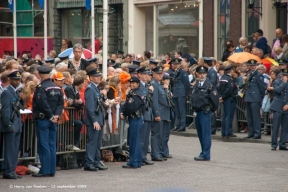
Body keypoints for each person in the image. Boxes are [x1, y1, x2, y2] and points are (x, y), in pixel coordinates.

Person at [32, 66, 64, 177]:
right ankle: (51, 170)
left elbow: (43, 104)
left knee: (43, 144)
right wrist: (56, 115)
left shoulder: (41, 87)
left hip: (44, 119)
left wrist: (50, 116)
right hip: (53, 119)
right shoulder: (57, 88)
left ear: (39, 74)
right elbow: (61, 104)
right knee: (51, 144)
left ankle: (45, 170)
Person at [191, 66, 219, 161]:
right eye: (200, 73)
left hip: (205, 111)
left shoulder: (209, 86)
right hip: (198, 111)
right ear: (197, 74)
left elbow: (215, 100)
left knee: (205, 134)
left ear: (206, 74)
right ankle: (203, 152)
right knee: (200, 133)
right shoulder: (197, 84)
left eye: (203, 73)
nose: (202, 75)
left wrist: (212, 110)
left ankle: (205, 154)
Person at [84, 67, 108, 171]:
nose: (98, 78)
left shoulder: (96, 88)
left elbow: (99, 103)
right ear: (90, 78)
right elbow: (90, 107)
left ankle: (96, 161)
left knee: (98, 143)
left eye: (99, 76)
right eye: (95, 76)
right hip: (94, 119)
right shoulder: (90, 88)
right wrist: (94, 120)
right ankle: (89, 162)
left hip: (99, 118)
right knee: (92, 142)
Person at [1, 70, 23, 179]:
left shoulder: (17, 92)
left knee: (15, 149)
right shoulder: (6, 92)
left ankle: (12, 170)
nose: (17, 81)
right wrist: (8, 125)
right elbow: (5, 111)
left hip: (17, 124)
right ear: (9, 79)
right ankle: (8, 170)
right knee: (10, 149)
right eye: (15, 79)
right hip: (11, 124)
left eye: (18, 79)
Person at [120, 76, 145, 168]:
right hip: (135, 118)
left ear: (138, 84)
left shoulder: (136, 93)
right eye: (131, 83)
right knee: (135, 140)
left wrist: (124, 113)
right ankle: (136, 161)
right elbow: (127, 104)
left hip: (135, 118)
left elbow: (131, 107)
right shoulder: (134, 92)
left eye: (134, 83)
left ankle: (134, 162)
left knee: (134, 140)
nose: (132, 84)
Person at [150, 66, 171, 161]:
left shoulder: (159, 84)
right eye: (158, 74)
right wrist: (157, 114)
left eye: (161, 74)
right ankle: (155, 154)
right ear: (154, 75)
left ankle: (158, 152)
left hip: (164, 113)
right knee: (156, 134)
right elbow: (154, 101)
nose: (160, 75)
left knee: (161, 134)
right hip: (159, 113)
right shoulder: (154, 84)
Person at [244, 60, 267, 139]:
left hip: (255, 98)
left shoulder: (258, 75)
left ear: (256, 66)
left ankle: (257, 133)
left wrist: (261, 97)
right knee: (249, 117)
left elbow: (262, 87)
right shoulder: (249, 74)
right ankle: (251, 132)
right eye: (250, 65)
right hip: (249, 97)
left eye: (253, 65)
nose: (252, 67)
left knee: (256, 116)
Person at [136, 66, 154, 165]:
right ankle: (139, 157)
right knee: (141, 138)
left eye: (148, 74)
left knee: (146, 139)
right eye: (144, 74)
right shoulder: (139, 86)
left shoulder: (147, 85)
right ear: (139, 74)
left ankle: (143, 156)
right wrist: (150, 91)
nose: (147, 76)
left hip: (148, 114)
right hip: (143, 114)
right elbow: (142, 99)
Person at [64, 75, 85, 151]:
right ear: (81, 83)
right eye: (83, 83)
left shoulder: (76, 91)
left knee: (80, 123)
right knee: (78, 124)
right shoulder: (69, 89)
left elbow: (80, 104)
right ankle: (72, 143)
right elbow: (72, 103)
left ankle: (74, 143)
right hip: (66, 115)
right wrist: (78, 103)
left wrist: (79, 103)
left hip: (71, 115)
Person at [270, 68, 288, 150]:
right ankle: (274, 144)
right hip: (277, 106)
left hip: (286, 107)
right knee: (276, 126)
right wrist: (284, 82)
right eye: (284, 75)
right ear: (281, 75)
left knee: (285, 127)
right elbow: (277, 91)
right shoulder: (277, 82)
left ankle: (282, 144)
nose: (285, 77)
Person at [170, 59, 190, 132]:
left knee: (182, 110)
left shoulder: (183, 72)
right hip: (176, 93)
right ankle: (178, 125)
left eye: (177, 64)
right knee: (177, 110)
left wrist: (186, 93)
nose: (175, 65)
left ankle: (182, 125)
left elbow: (186, 84)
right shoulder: (176, 72)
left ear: (179, 64)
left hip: (181, 93)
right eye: (174, 64)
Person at [218, 65, 237, 137]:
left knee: (224, 115)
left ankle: (223, 131)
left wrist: (220, 97)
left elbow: (218, 88)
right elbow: (229, 90)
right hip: (229, 99)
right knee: (229, 116)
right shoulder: (230, 79)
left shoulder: (222, 78)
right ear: (231, 70)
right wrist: (223, 97)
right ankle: (228, 131)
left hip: (224, 99)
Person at [204, 57, 218, 135]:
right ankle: (210, 127)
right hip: (208, 92)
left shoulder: (212, 72)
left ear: (206, 64)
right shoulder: (209, 71)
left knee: (212, 110)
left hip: (212, 93)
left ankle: (212, 128)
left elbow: (212, 82)